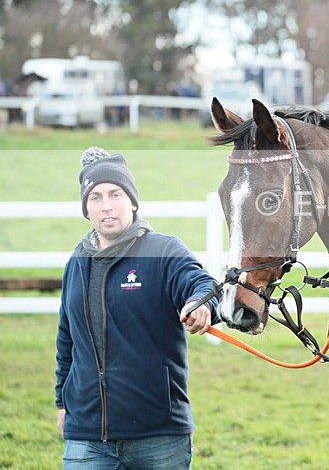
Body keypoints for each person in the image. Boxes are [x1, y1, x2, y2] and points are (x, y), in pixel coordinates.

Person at [55, 147, 219, 469]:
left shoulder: (163, 251)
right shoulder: (77, 263)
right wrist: (63, 402)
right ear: (86, 209)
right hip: (87, 436)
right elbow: (67, 341)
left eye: (115, 194)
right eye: (96, 198)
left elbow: (203, 285)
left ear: (132, 200)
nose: (107, 206)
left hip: (158, 435)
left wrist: (201, 304)